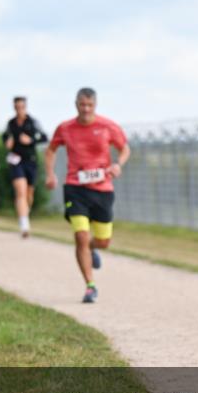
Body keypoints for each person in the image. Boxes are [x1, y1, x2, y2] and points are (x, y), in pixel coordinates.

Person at [44, 88, 130, 303]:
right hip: (75, 187)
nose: (85, 109)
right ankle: (90, 286)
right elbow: (51, 150)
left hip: (102, 189)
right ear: (76, 104)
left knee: (103, 241)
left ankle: (93, 248)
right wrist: (50, 174)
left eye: (89, 105)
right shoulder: (65, 128)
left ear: (95, 105)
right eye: (82, 105)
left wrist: (118, 165)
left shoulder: (107, 126)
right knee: (81, 236)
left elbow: (124, 148)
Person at [2, 96, 48, 237]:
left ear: (25, 107)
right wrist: (7, 141)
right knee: (20, 191)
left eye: (21, 107)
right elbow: (5, 136)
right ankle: (24, 224)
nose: (19, 110)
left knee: (29, 194)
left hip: (31, 161)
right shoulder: (11, 123)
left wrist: (31, 140)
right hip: (16, 161)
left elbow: (44, 137)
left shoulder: (33, 122)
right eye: (17, 107)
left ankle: (25, 215)